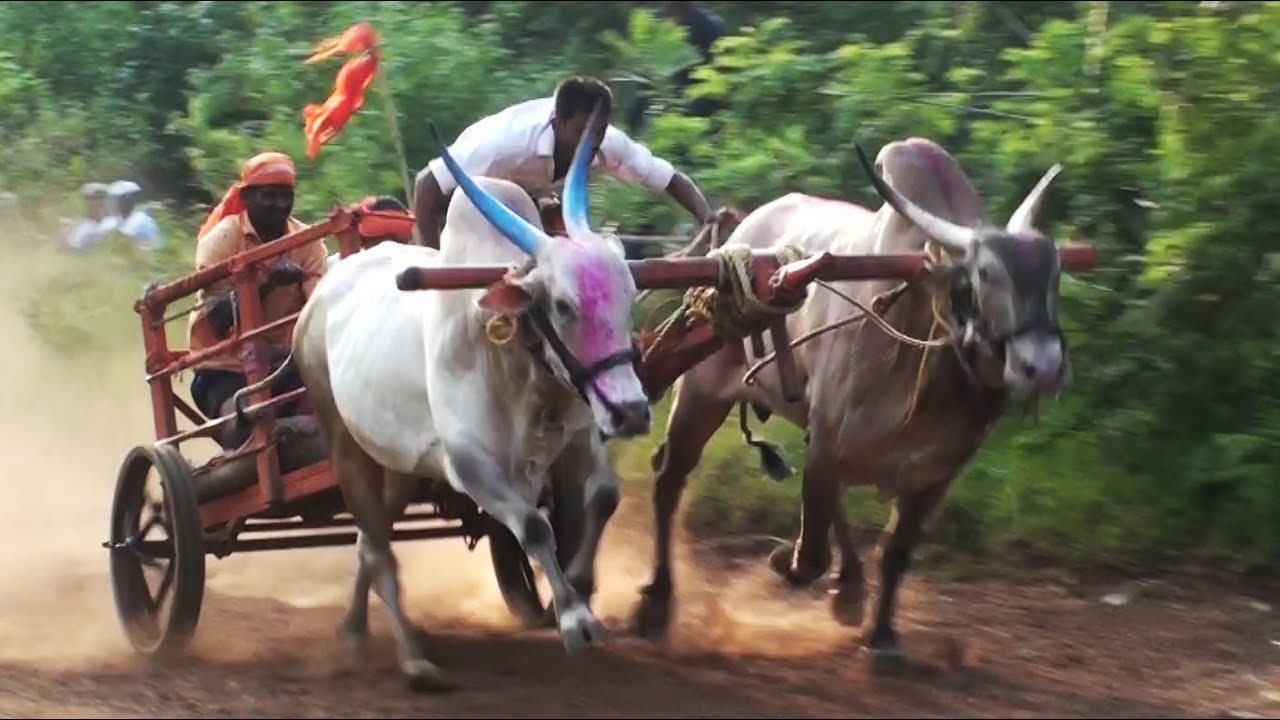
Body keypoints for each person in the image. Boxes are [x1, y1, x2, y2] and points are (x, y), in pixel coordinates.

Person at [412, 75, 725, 250]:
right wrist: (434, 264)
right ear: (558, 122)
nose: (593, 142)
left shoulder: (607, 140)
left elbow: (669, 178)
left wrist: (709, 219)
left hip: (525, 207)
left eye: (599, 131)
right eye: (582, 132)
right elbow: (426, 185)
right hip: (464, 214)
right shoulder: (506, 143)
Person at [186, 151, 328, 450]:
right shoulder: (221, 241)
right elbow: (217, 321)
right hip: (225, 369)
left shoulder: (308, 241)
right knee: (248, 428)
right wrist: (266, 283)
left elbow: (320, 307)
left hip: (287, 364)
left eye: (286, 196)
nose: (280, 204)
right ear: (247, 197)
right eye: (269, 196)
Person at [106, 180, 163, 251]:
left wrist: (135, 244)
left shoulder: (145, 220)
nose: (124, 204)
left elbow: (156, 243)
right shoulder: (113, 222)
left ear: (132, 203)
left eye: (127, 201)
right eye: (120, 201)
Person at [65, 182, 112, 252]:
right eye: (95, 198)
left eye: (102, 197)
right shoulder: (83, 226)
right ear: (88, 201)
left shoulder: (112, 221)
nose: (100, 201)